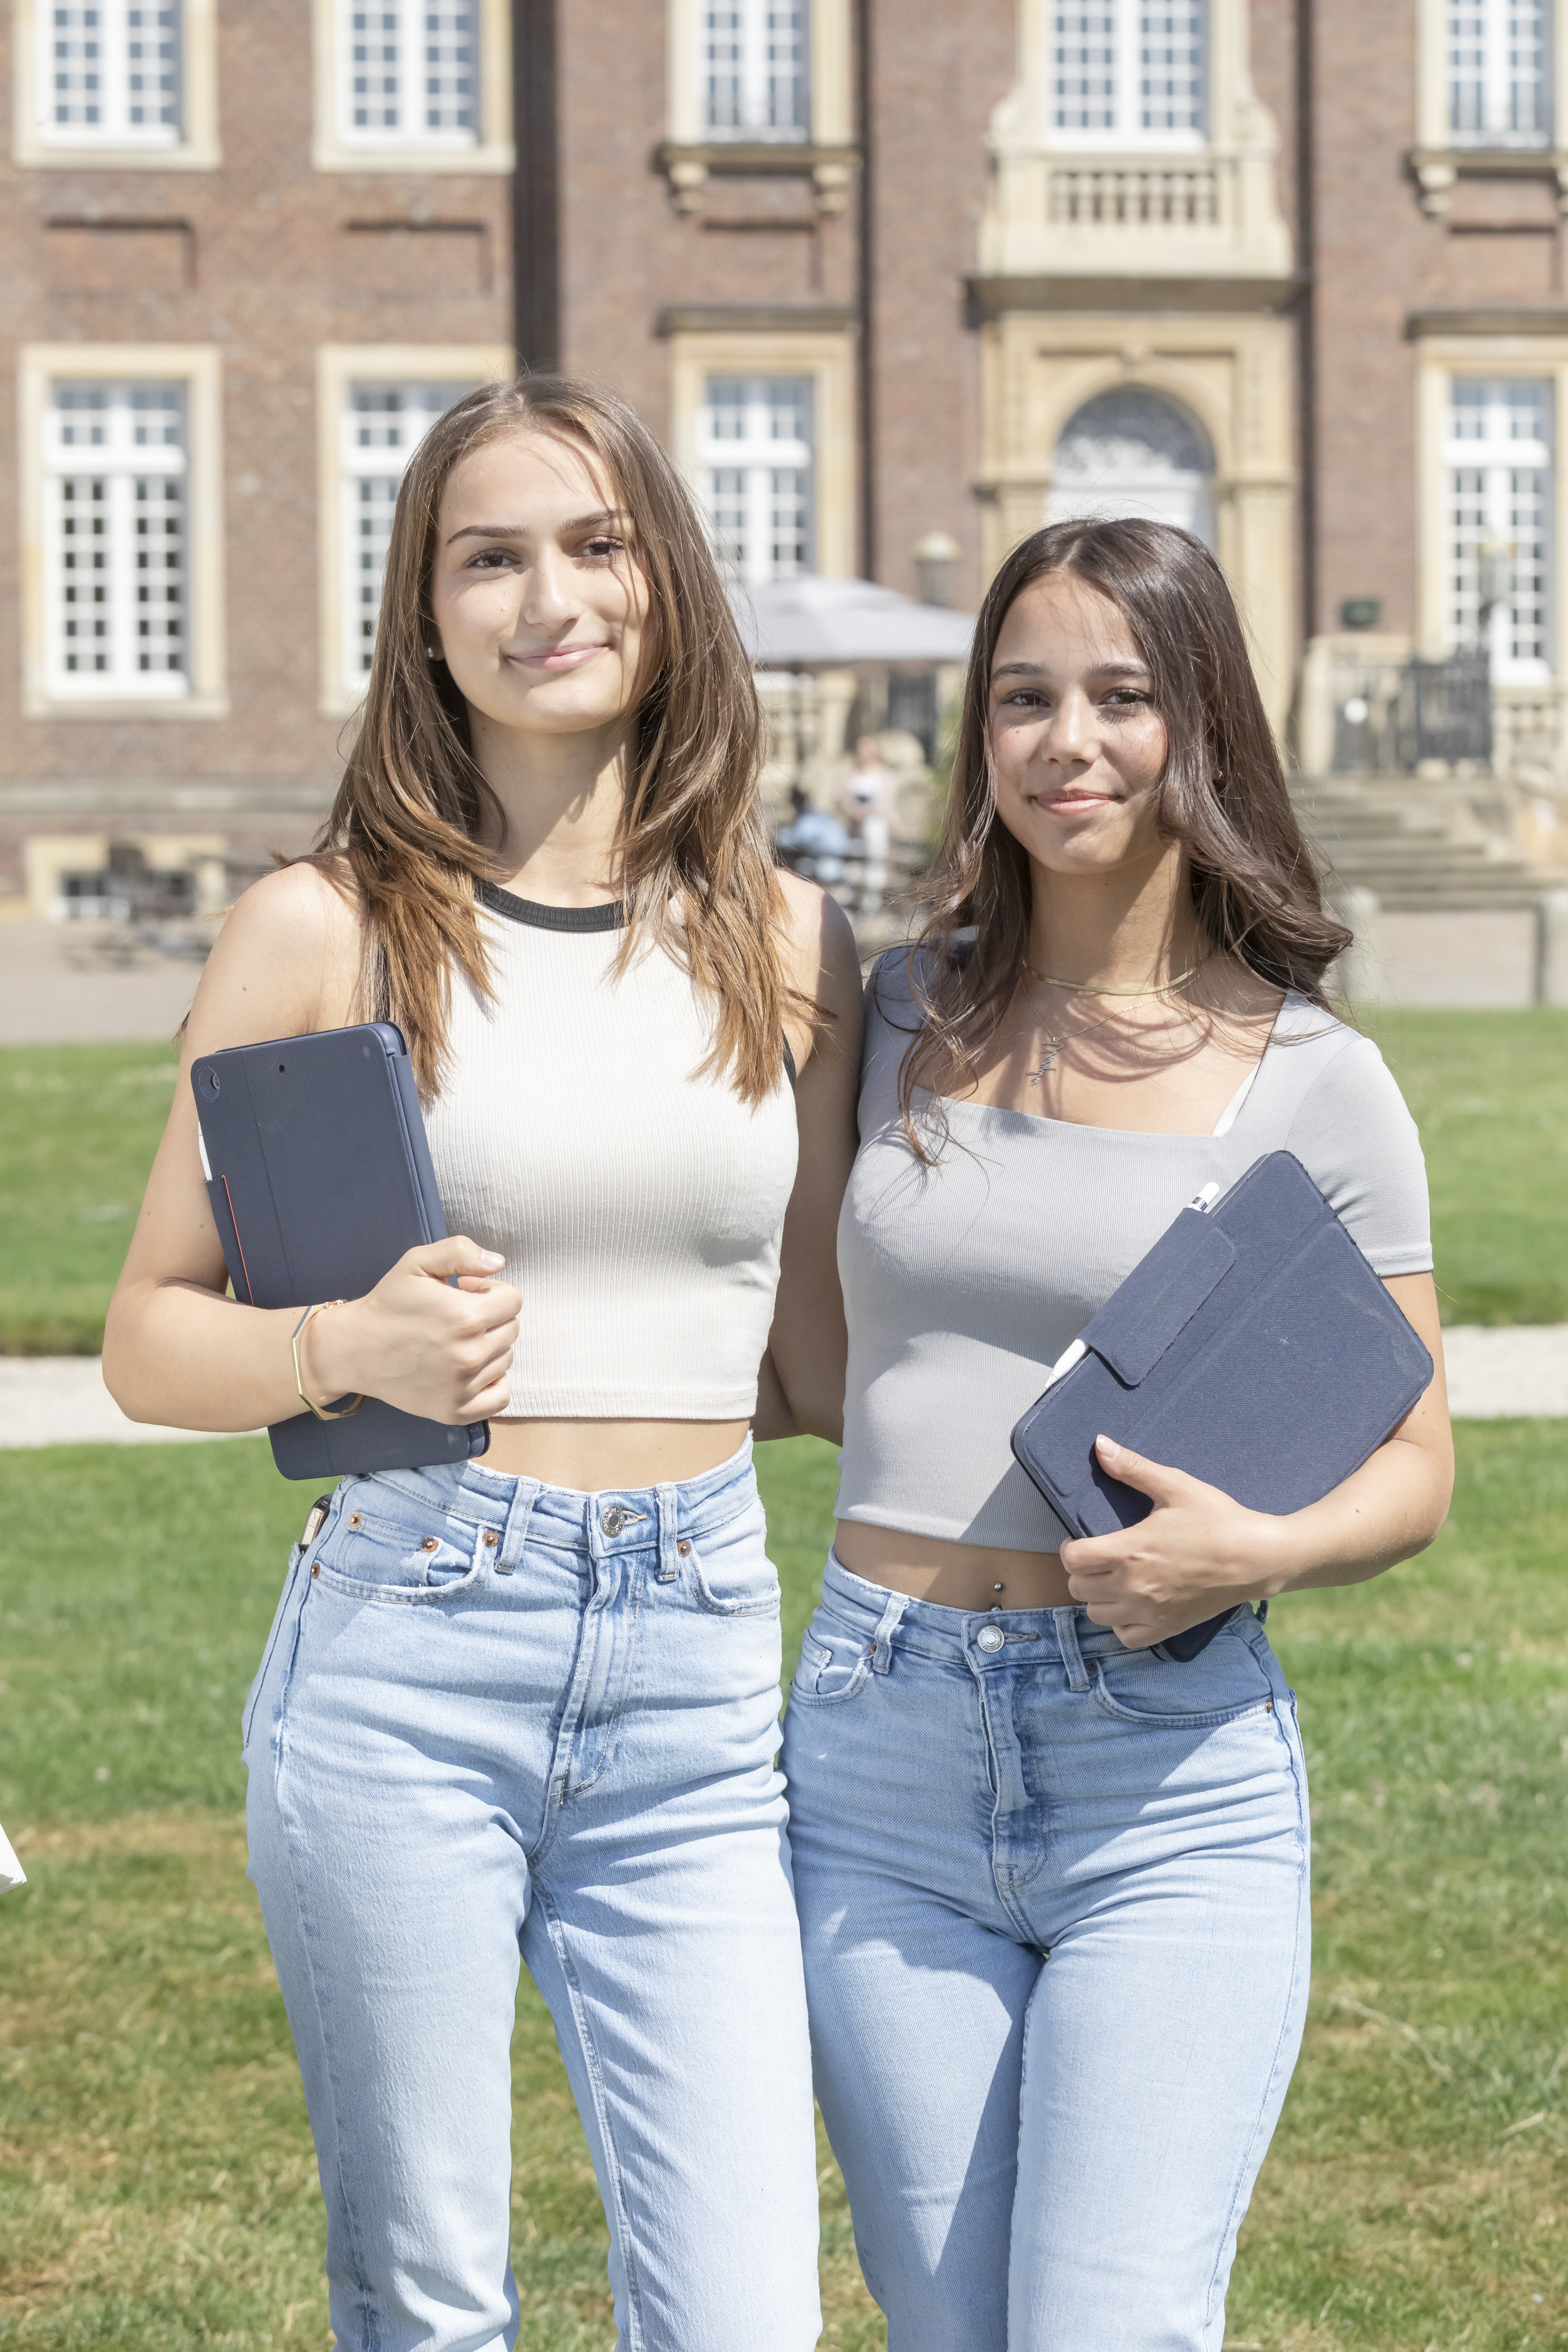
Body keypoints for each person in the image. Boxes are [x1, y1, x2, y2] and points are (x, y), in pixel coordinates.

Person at [103, 376, 862, 2352]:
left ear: (667, 583)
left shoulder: (786, 939)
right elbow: (144, 1339)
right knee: (434, 2302)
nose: (550, 598)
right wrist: (331, 1343)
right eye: (488, 556)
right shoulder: (321, 930)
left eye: (596, 545)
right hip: (409, 1646)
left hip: (699, 1654)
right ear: (423, 611)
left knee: (745, 2314)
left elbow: (823, 1357)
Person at [780, 518, 1454, 2351]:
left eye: (1122, 695)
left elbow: (1418, 1457)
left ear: (1202, 726)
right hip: (876, 1762)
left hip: (1165, 1776)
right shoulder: (893, 1011)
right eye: (1022, 698)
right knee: (948, 2325)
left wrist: (1263, 1550)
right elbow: (804, 1360)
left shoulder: (1313, 1076)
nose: (1066, 740)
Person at [837, 734, 897, 913]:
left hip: (876, 825)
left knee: (875, 861)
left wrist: (869, 812)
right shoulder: (851, 772)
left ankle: (872, 903)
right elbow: (842, 797)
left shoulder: (885, 774)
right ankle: (849, 901)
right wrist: (854, 811)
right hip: (854, 826)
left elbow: (887, 802)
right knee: (853, 862)